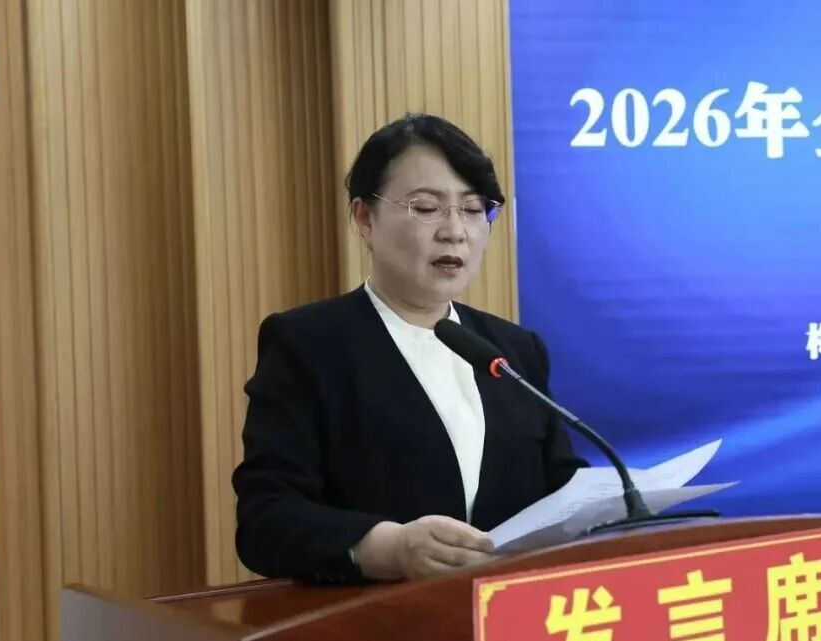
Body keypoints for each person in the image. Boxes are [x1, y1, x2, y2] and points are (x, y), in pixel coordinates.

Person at [232, 114, 587, 584]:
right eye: (426, 207)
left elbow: (561, 490)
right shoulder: (309, 345)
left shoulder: (514, 350)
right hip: (379, 619)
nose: (455, 231)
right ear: (365, 218)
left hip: (511, 617)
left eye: (473, 209)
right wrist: (386, 548)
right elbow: (266, 519)